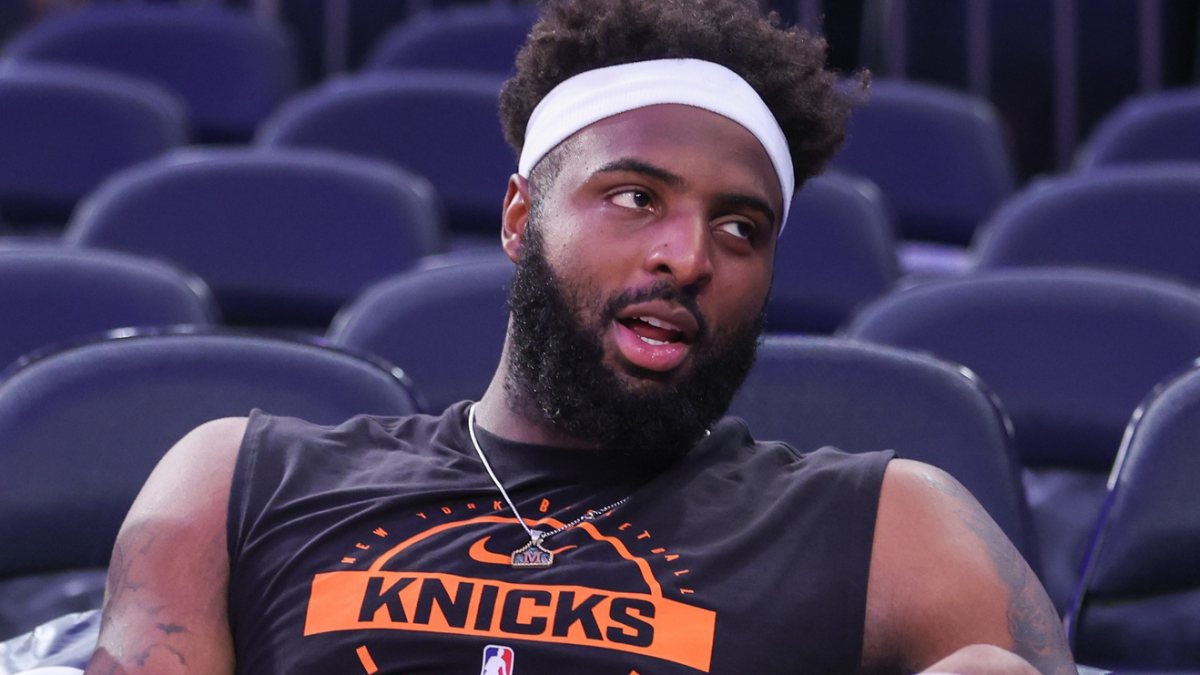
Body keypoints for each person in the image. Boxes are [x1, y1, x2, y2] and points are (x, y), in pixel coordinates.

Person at [82, 0, 1077, 673]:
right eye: (636, 197)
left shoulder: (885, 526)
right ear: (521, 218)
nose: (689, 255)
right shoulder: (239, 481)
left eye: (741, 227)